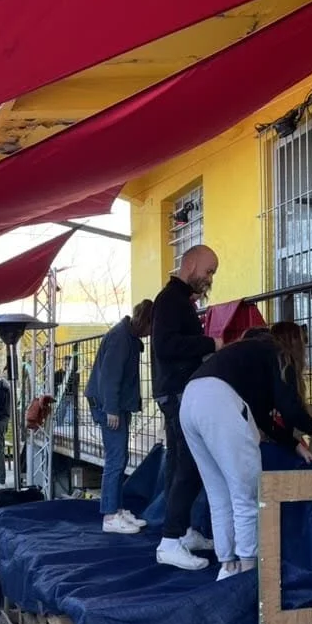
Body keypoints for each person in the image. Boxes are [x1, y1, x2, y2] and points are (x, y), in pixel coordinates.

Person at [180, 322, 312, 579]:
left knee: (218, 493)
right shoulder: (276, 353)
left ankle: (227, 565)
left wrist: (293, 443)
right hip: (218, 401)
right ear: (294, 344)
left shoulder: (246, 354)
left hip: (190, 400)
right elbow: (289, 407)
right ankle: (247, 570)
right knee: (246, 495)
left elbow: (261, 417)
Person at [152, 244, 223, 570]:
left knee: (182, 464)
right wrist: (211, 344)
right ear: (191, 263)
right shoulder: (170, 301)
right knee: (190, 466)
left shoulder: (178, 301)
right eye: (208, 271)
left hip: (179, 392)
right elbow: (166, 347)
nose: (209, 278)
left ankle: (182, 533)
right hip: (178, 393)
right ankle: (171, 539)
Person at [85, 299, 155, 534]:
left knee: (120, 456)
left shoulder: (128, 337)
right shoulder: (120, 338)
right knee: (115, 459)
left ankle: (117, 508)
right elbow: (110, 377)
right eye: (150, 328)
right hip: (110, 406)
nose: (150, 334)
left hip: (117, 405)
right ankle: (110, 515)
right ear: (145, 322)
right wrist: (111, 409)